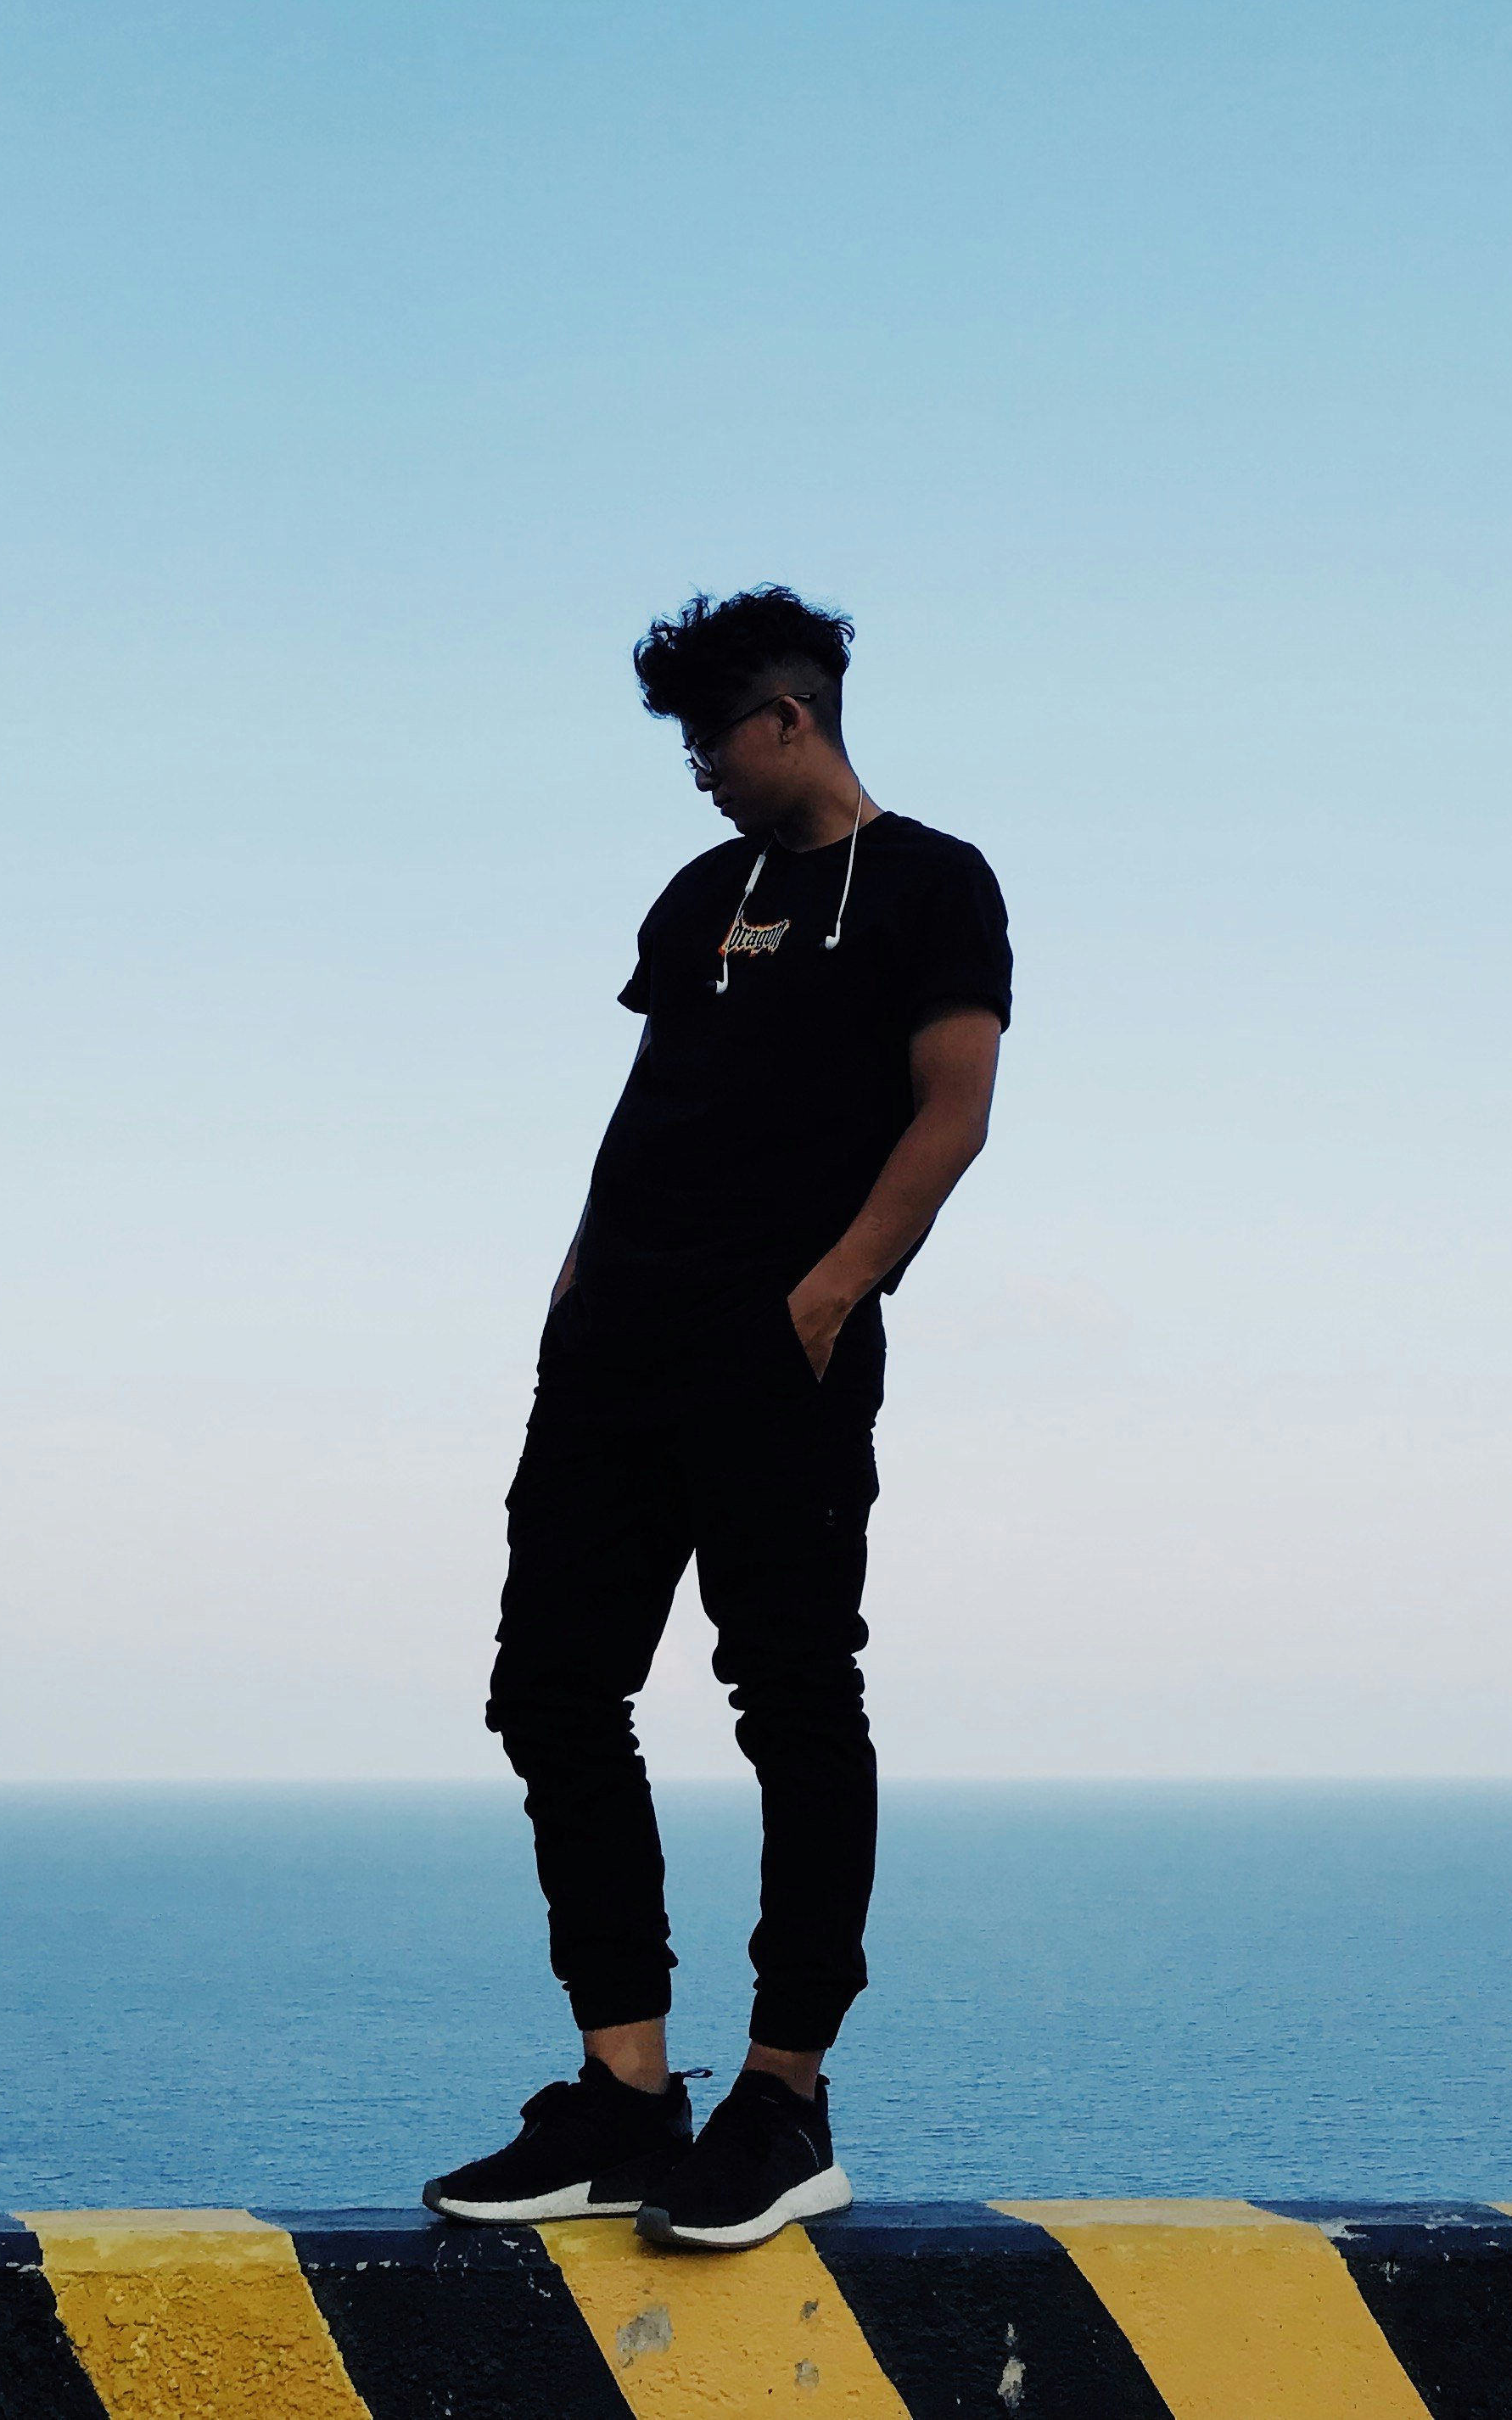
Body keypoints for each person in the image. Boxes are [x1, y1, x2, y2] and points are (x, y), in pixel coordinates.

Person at [423, 586, 1011, 2250]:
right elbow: (651, 1107)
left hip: (777, 1365)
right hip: (611, 1359)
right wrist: (567, 1295)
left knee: (792, 1697)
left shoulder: (928, 884)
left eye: (706, 735)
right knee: (549, 1686)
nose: (692, 767)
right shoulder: (699, 900)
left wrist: (823, 1298)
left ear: (789, 716)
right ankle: (625, 2094)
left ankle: (784, 2096)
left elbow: (952, 1113)